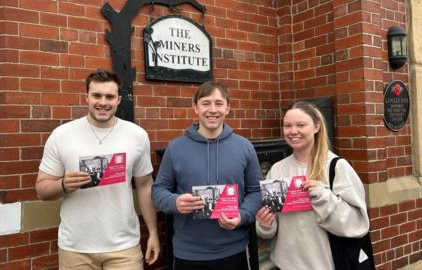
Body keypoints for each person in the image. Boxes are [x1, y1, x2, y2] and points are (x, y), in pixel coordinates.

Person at [35, 69, 160, 270]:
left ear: (119, 100)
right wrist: (63, 185)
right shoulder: (62, 135)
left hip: (124, 248)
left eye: (110, 96)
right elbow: (41, 189)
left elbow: (145, 186)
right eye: (97, 96)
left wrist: (153, 233)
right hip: (75, 248)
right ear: (87, 97)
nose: (103, 102)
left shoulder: (137, 135)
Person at [152, 81, 261, 270]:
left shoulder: (244, 147)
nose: (212, 109)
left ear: (228, 108)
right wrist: (175, 202)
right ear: (195, 108)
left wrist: (242, 216)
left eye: (219, 103)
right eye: (205, 103)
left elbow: (256, 191)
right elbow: (158, 190)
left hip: (234, 250)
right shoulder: (175, 148)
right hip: (188, 253)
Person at [255, 101, 370, 270]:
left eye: (301, 125)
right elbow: (272, 229)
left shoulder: (336, 166)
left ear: (316, 127)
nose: (293, 131)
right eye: (287, 126)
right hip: (284, 265)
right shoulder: (277, 170)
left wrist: (323, 196)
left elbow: (357, 224)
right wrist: (265, 224)